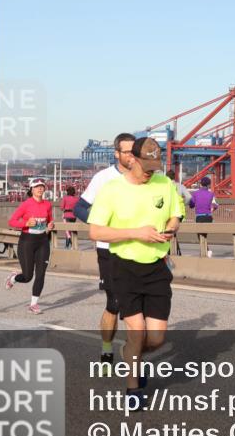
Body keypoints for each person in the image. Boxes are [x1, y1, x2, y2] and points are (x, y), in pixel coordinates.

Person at [88, 136, 183, 407]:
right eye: (146, 167)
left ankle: (130, 352)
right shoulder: (112, 190)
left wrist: (173, 226)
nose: (150, 173)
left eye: (155, 167)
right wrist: (136, 233)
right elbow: (95, 230)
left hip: (156, 268)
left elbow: (177, 212)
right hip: (124, 267)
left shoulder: (164, 183)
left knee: (156, 338)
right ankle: (133, 389)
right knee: (137, 331)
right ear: (132, 160)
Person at [74, 132, 136, 372]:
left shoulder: (146, 177)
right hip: (109, 250)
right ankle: (107, 347)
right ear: (117, 153)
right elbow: (80, 207)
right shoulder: (104, 177)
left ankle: (133, 356)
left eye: (135, 151)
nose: (132, 155)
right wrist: (100, 221)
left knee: (137, 305)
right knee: (115, 303)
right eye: (127, 151)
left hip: (138, 250)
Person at [6, 178, 55, 314]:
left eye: (42, 187)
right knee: (27, 277)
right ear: (32, 189)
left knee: (41, 274)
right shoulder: (26, 204)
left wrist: (50, 225)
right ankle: (13, 278)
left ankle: (33, 304)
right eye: (37, 187)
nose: (40, 189)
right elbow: (12, 221)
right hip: (27, 241)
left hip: (43, 242)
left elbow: (50, 221)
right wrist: (26, 224)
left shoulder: (47, 205)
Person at [165, 170, 191, 256]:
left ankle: (168, 252)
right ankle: (177, 252)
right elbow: (189, 197)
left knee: (168, 232)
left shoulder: (164, 186)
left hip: (168, 213)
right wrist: (184, 203)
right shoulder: (180, 186)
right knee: (174, 232)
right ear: (174, 177)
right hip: (179, 212)